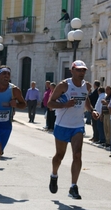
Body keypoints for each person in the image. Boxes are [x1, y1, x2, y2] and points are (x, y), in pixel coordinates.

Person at [47, 60, 92, 200]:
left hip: (77, 125)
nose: (81, 73)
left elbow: (86, 100)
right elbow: (49, 104)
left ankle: (73, 186)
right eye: (78, 70)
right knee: (59, 155)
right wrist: (66, 104)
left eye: (83, 70)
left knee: (77, 155)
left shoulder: (87, 86)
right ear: (71, 71)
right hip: (62, 125)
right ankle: (54, 175)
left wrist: (92, 110)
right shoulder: (64, 85)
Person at [0, 65, 27, 188]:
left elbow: (24, 104)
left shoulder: (14, 90)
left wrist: (16, 104)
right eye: (4, 74)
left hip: (6, 125)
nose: (7, 76)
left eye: (8, 74)